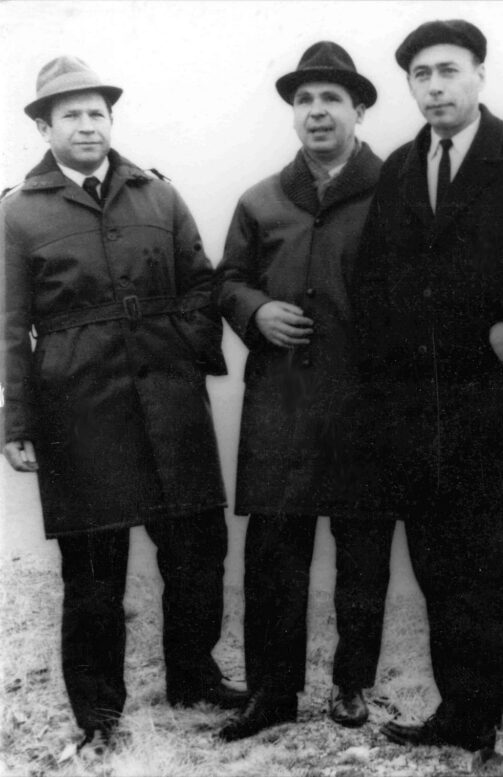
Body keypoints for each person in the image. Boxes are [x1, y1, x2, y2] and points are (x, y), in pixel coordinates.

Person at [352, 20, 503, 777]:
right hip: (422, 418)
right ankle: (463, 715)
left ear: (480, 75)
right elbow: (371, 284)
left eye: (448, 71)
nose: (434, 87)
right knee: (442, 571)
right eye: (420, 75)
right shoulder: (397, 170)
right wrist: (389, 385)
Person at [1, 56, 245, 754]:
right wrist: (15, 421)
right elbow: (9, 325)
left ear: (112, 120)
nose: (87, 124)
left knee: (198, 550)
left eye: (97, 112)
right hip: (79, 408)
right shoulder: (17, 213)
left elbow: (202, 282)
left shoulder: (157, 197)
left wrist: (183, 345)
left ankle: (193, 675)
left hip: (169, 401)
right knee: (93, 573)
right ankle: (99, 711)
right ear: (44, 126)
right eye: (71, 114)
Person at [215, 42, 391, 742]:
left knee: (363, 550)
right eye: (304, 100)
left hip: (366, 406)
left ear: (359, 108)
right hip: (281, 406)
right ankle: (272, 690)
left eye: (331, 99)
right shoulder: (261, 199)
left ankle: (352, 683)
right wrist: (254, 309)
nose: (316, 112)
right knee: (275, 553)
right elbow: (223, 280)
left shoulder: (397, 188)